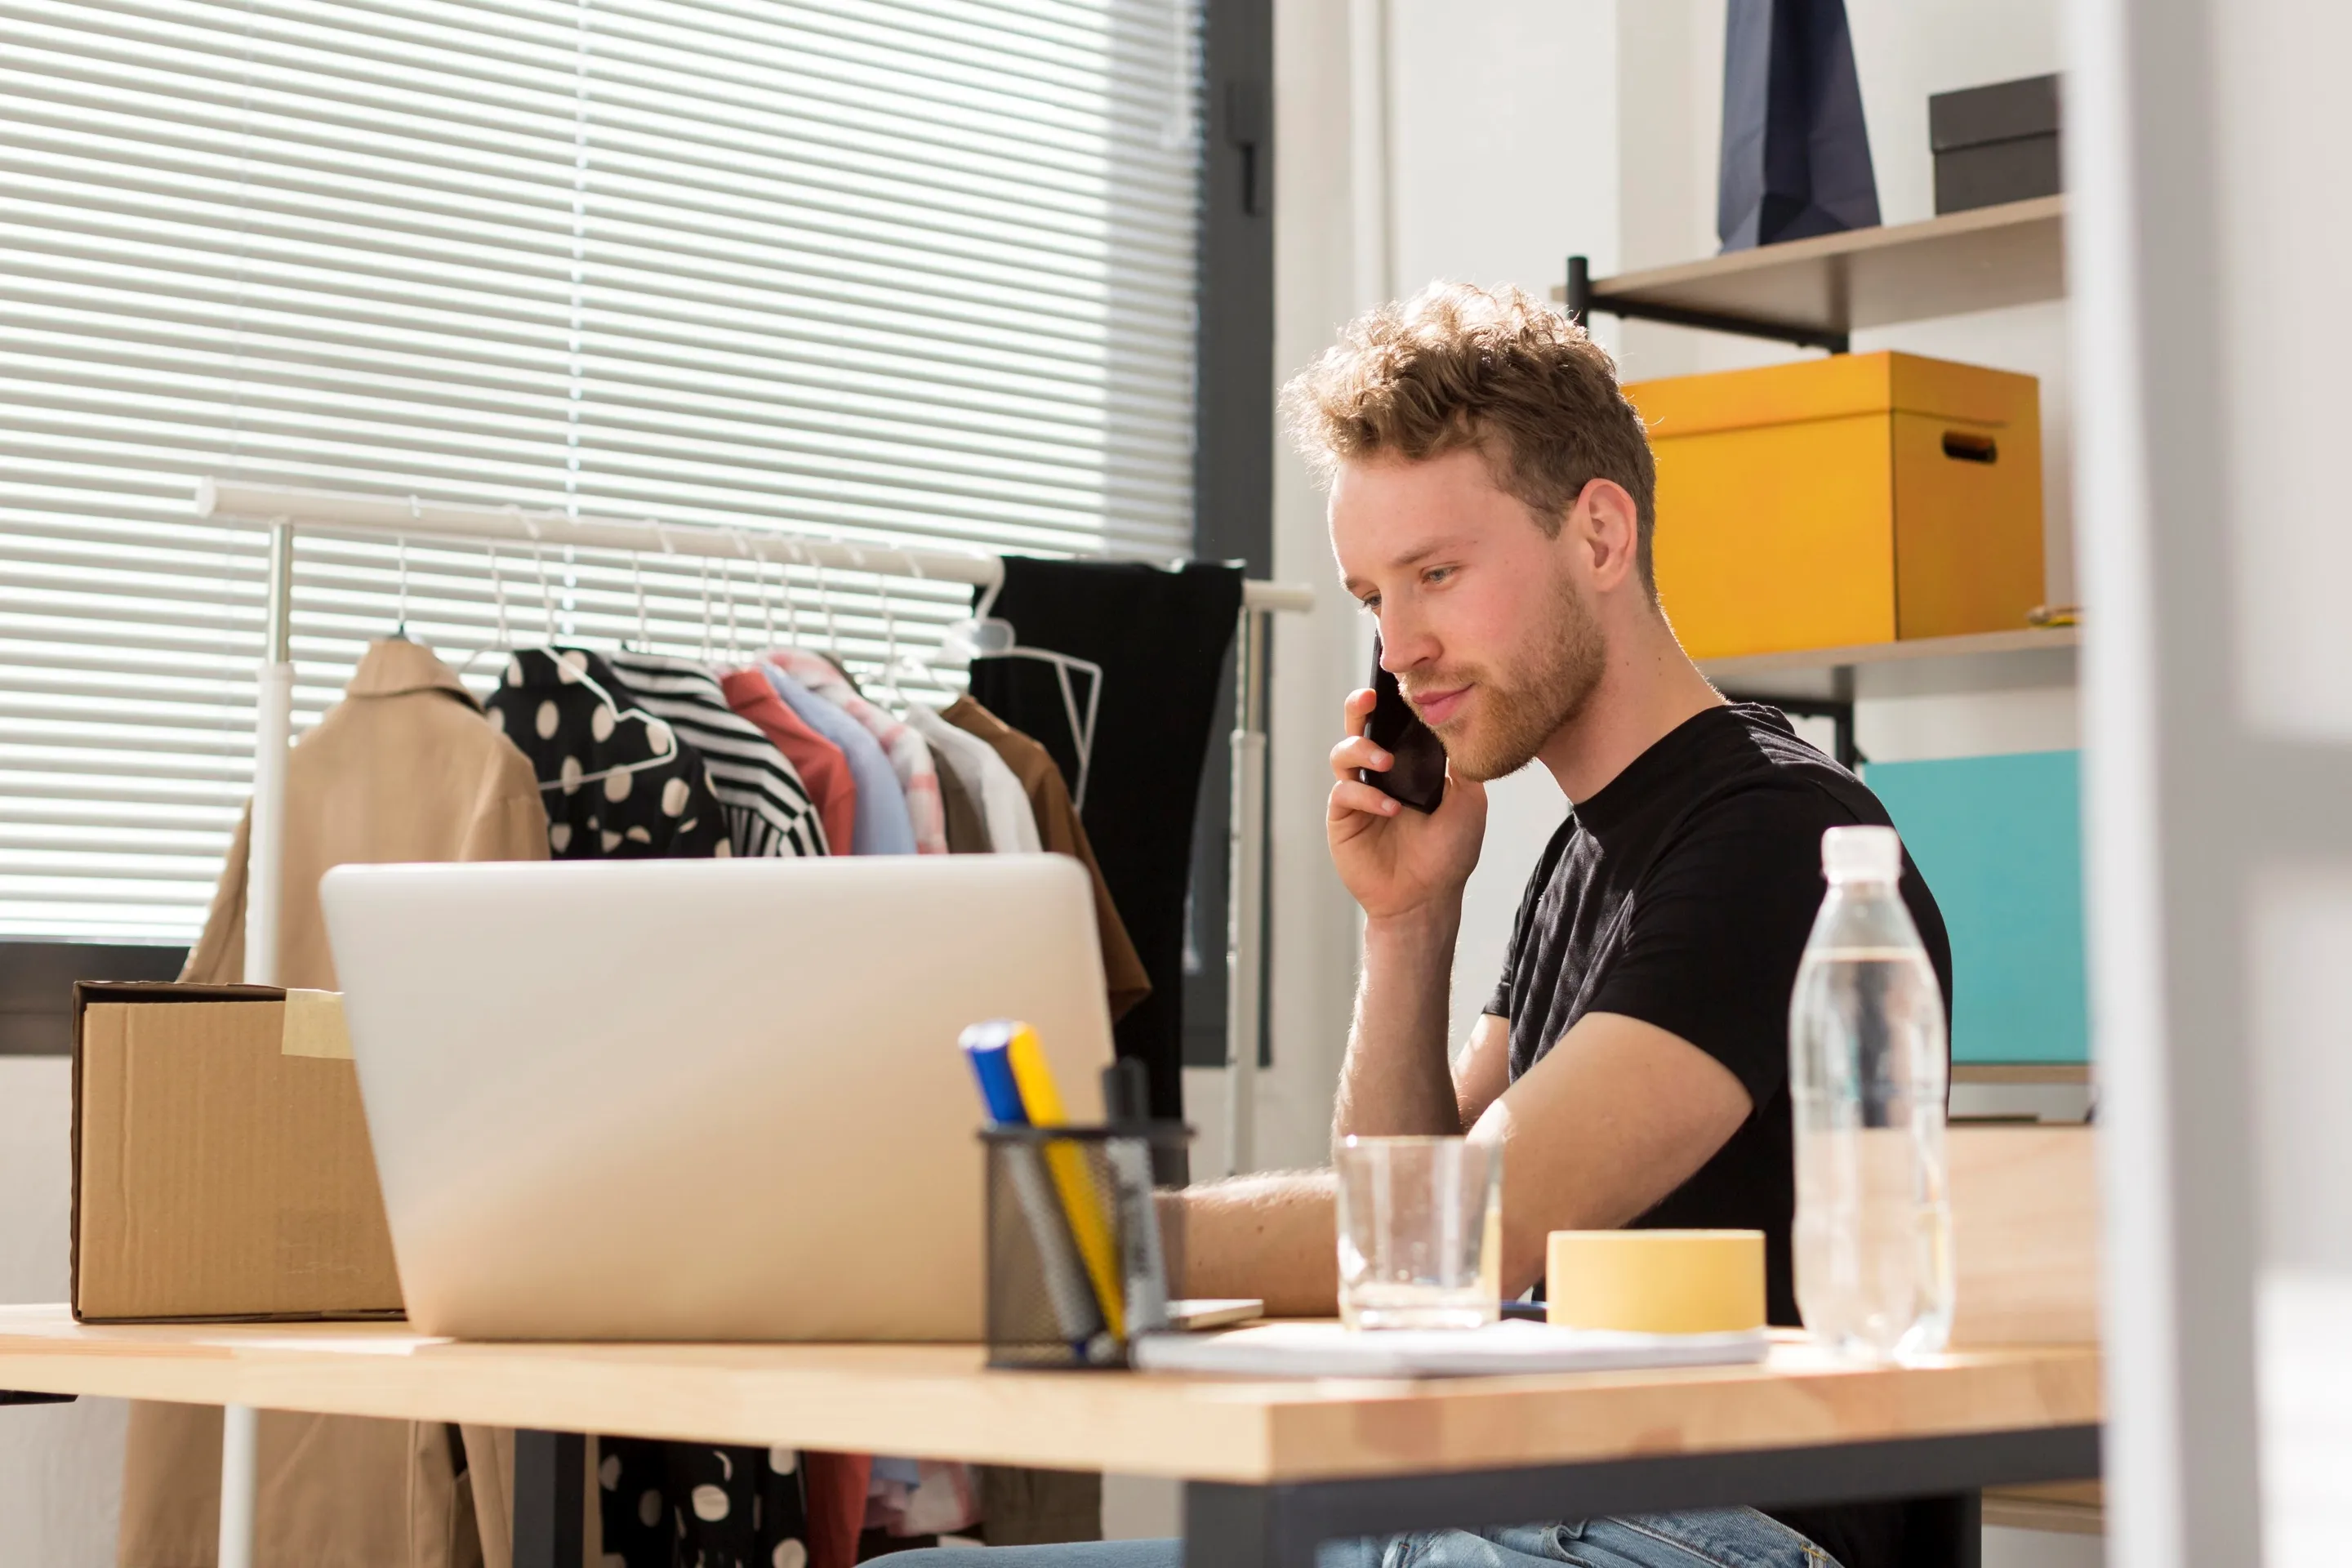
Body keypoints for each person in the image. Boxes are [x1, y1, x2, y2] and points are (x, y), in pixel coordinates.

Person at [896, 283, 1952, 1568]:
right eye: (1372, 597)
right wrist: (1408, 920)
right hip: (1527, 1520)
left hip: (1703, 1536)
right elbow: (1410, 1257)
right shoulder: (1579, 853)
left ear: (1601, 536)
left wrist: (1075, 1227)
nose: (1400, 651)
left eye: (1437, 576)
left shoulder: (1775, 842)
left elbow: (1467, 1229)